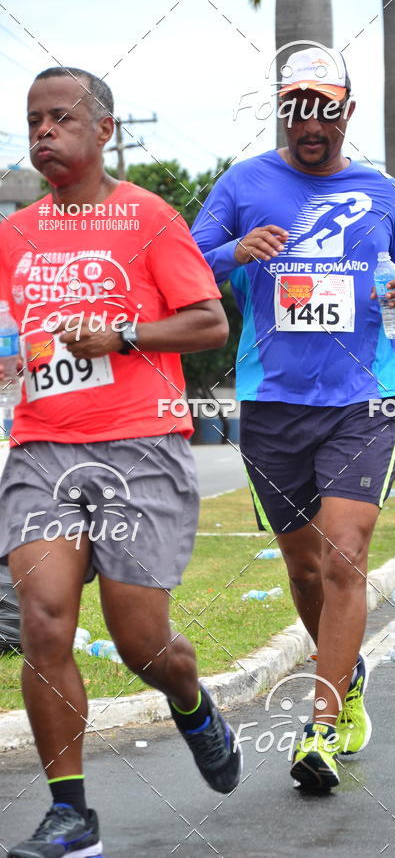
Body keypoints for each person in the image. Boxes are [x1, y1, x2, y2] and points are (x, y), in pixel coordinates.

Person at [0, 67, 240, 858]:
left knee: (141, 644)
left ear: (104, 130)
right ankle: (72, 816)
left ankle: (193, 703)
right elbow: (11, 331)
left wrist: (124, 336)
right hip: (42, 446)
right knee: (44, 623)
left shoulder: (149, 219)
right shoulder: (15, 234)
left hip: (140, 445)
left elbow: (208, 322)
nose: (43, 131)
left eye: (60, 117)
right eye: (33, 119)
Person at [191, 46, 395, 790]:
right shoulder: (243, 184)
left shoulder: (383, 192)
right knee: (303, 566)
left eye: (326, 108)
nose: (312, 122)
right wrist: (235, 249)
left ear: (346, 114)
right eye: (299, 106)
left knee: (343, 555)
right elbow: (185, 264)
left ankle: (323, 729)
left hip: (364, 398)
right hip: (272, 403)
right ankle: (350, 673)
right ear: (284, 111)